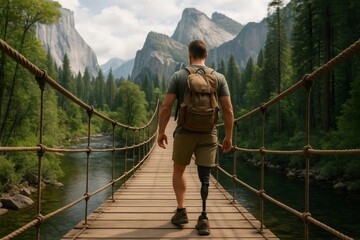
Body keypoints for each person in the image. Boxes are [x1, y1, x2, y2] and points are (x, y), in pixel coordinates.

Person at [157, 39, 234, 236]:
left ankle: (181, 211)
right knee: (205, 177)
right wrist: (229, 137)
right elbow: (228, 110)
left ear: (189, 55)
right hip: (209, 133)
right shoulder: (219, 77)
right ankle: (204, 218)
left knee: (179, 169)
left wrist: (161, 131)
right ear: (206, 56)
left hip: (184, 132)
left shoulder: (179, 76)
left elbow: (166, 107)